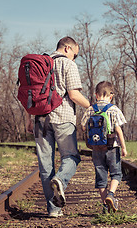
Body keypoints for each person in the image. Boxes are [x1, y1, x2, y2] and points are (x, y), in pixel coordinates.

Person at [25, 36, 90, 218]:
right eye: (75, 55)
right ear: (68, 48)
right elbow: (74, 95)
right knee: (71, 157)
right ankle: (60, 179)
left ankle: (54, 210)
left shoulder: (40, 64)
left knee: (45, 164)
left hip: (39, 119)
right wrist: (90, 106)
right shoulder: (68, 65)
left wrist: (28, 119)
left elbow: (29, 94)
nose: (74, 58)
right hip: (63, 118)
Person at [80, 81, 127, 214]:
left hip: (96, 149)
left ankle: (105, 206)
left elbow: (83, 126)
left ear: (96, 95)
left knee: (101, 178)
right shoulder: (114, 109)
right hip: (112, 147)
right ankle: (111, 194)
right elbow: (118, 130)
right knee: (116, 174)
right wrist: (123, 147)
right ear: (110, 96)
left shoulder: (90, 109)